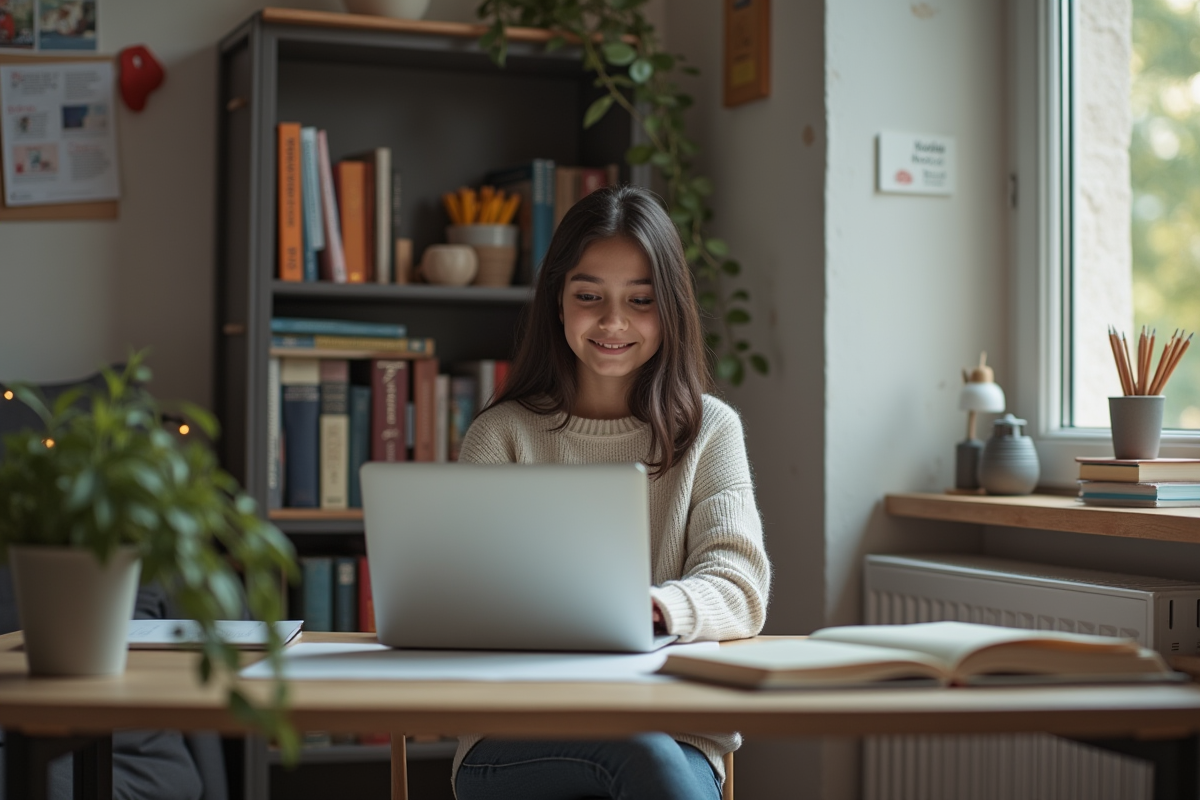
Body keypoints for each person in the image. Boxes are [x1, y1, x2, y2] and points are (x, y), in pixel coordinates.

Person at [452, 184, 772, 800]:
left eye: (641, 300)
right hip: (517, 737)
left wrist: (652, 607)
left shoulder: (711, 431)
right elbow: (465, 596)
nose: (613, 323)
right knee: (637, 752)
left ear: (671, 308)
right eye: (589, 297)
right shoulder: (503, 435)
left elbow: (739, 584)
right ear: (558, 302)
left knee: (647, 753)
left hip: (678, 740)